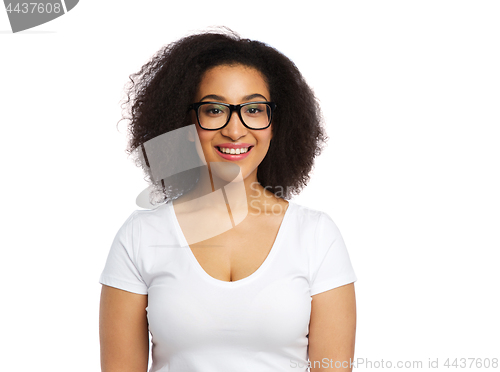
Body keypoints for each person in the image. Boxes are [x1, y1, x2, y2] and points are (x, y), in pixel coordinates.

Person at [99, 27, 357, 372]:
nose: (235, 130)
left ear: (275, 124)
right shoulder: (140, 236)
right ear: (186, 123)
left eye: (253, 109)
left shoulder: (316, 236)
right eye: (214, 110)